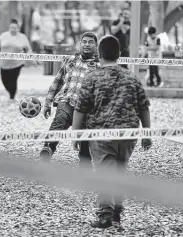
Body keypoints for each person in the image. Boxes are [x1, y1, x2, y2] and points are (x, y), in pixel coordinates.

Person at [72, 35, 152, 230]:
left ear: (99, 54)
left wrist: (75, 135)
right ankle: (116, 213)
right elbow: (144, 107)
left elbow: (80, 108)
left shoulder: (92, 78)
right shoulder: (132, 77)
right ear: (119, 54)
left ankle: (105, 216)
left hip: (101, 135)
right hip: (127, 135)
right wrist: (147, 134)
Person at [40, 32, 100, 168]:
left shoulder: (99, 66)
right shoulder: (69, 60)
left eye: (90, 42)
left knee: (84, 136)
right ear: (80, 44)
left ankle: (85, 163)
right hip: (66, 100)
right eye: (84, 41)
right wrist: (47, 103)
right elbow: (57, 82)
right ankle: (48, 148)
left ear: (96, 46)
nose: (87, 44)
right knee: (60, 120)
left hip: (87, 107)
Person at [0, 19, 32, 101]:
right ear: (9, 27)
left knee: (13, 80)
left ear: (18, 28)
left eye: (15, 28)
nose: (13, 29)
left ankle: (12, 96)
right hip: (3, 63)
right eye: (11, 27)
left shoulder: (22, 37)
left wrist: (30, 58)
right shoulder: (3, 36)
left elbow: (28, 49)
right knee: (4, 80)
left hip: (17, 63)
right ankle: (10, 93)